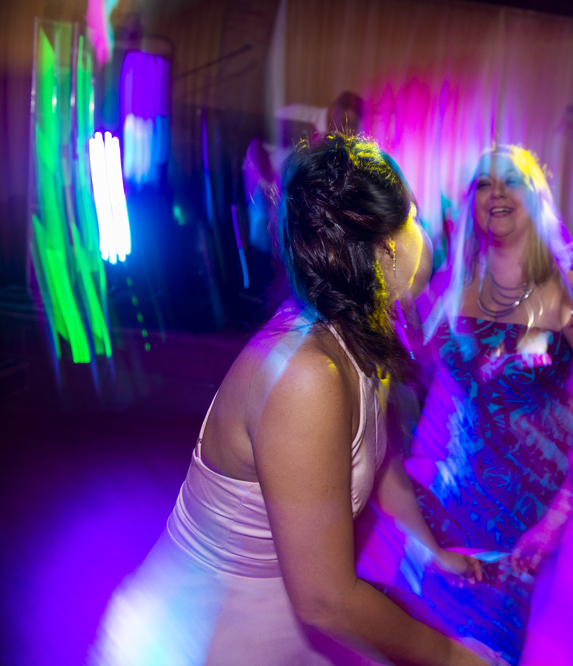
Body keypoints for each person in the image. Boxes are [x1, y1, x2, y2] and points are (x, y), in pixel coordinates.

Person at [90, 134, 495, 666]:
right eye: (414, 217)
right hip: (198, 638)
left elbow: (377, 460)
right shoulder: (309, 377)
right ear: (385, 246)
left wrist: (434, 551)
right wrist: (453, 659)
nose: (425, 233)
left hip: (279, 622)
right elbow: (327, 601)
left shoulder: (358, 331)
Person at [355, 145, 573, 665]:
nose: (497, 193)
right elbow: (420, 385)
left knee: (484, 650)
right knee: (418, 644)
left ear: (536, 194)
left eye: (511, 180)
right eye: (484, 184)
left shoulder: (564, 286)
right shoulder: (447, 283)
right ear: (470, 201)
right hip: (444, 498)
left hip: (520, 519)